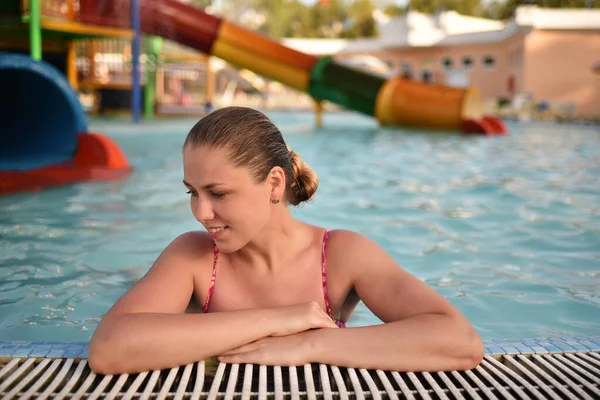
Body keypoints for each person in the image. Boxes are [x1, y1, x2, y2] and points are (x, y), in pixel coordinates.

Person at [89, 107, 483, 375]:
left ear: (274, 183)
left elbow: (459, 341)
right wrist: (280, 319)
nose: (200, 213)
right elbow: (108, 350)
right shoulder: (193, 257)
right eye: (191, 192)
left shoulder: (341, 256)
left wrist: (307, 347)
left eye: (218, 194)